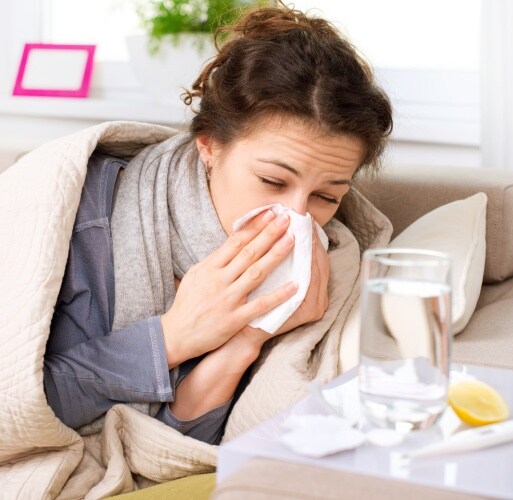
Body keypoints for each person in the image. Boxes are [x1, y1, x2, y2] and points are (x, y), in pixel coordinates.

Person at [43, 4, 393, 445]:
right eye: (272, 180)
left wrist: (242, 340)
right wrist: (171, 338)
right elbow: (22, 405)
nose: (296, 216)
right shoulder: (84, 215)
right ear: (208, 147)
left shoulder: (317, 272)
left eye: (326, 197)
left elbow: (182, 449)